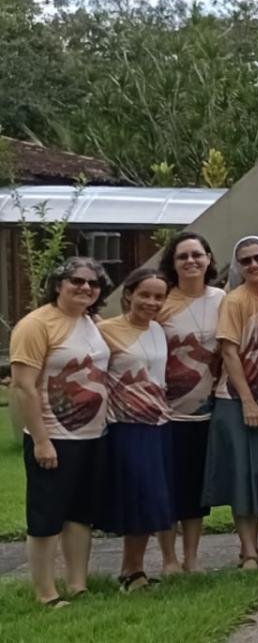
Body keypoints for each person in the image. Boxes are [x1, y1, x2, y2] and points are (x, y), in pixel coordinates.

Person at [11, 257, 111, 607]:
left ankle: (78, 584)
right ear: (58, 285)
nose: (85, 287)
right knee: (46, 518)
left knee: (81, 514)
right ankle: (46, 593)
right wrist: (41, 441)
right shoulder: (35, 325)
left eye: (93, 283)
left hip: (93, 436)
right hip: (53, 438)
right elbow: (23, 386)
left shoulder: (91, 322)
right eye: (77, 281)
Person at [202, 235, 258, 570]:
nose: (254, 265)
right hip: (237, 399)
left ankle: (254, 547)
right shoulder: (235, 301)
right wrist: (249, 401)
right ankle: (248, 551)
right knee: (243, 473)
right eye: (246, 260)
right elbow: (229, 352)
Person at [98, 268, 174, 592]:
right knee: (137, 495)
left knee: (151, 497)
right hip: (126, 426)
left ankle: (133, 568)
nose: (151, 302)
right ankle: (131, 571)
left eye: (159, 296)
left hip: (158, 424)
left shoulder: (157, 329)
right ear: (128, 294)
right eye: (145, 294)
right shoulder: (105, 331)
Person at [156, 231, 224, 574]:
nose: (191, 261)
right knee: (168, 486)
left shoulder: (222, 299)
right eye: (182, 256)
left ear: (209, 259)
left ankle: (192, 557)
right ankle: (169, 559)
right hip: (165, 411)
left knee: (196, 487)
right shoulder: (161, 301)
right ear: (173, 263)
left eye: (197, 254)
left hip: (208, 409)